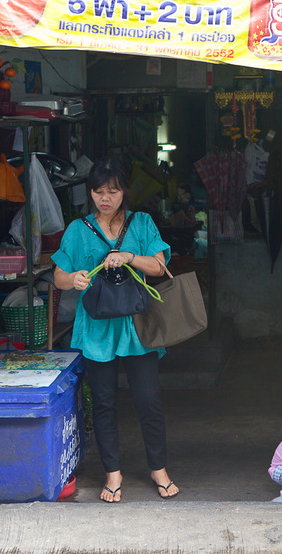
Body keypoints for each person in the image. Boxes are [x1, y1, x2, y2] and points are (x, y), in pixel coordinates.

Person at [52, 157, 179, 502]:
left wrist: (128, 257)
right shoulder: (79, 230)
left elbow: (158, 265)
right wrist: (73, 279)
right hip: (95, 328)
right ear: (90, 192)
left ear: (125, 191)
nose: (105, 198)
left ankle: (158, 468)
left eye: (113, 191)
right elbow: (59, 274)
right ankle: (113, 472)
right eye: (98, 191)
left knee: (149, 400)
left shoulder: (141, 223)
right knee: (104, 403)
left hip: (137, 328)